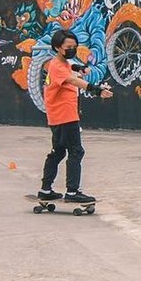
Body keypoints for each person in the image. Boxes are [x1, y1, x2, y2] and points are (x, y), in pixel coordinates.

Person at [37, 29, 113, 203]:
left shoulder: (60, 63)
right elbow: (72, 80)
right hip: (65, 116)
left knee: (58, 152)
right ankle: (72, 192)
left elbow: (70, 67)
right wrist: (96, 90)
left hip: (58, 116)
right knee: (76, 151)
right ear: (57, 47)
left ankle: (45, 189)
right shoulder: (57, 67)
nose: (72, 50)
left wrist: (79, 68)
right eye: (68, 47)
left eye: (74, 47)